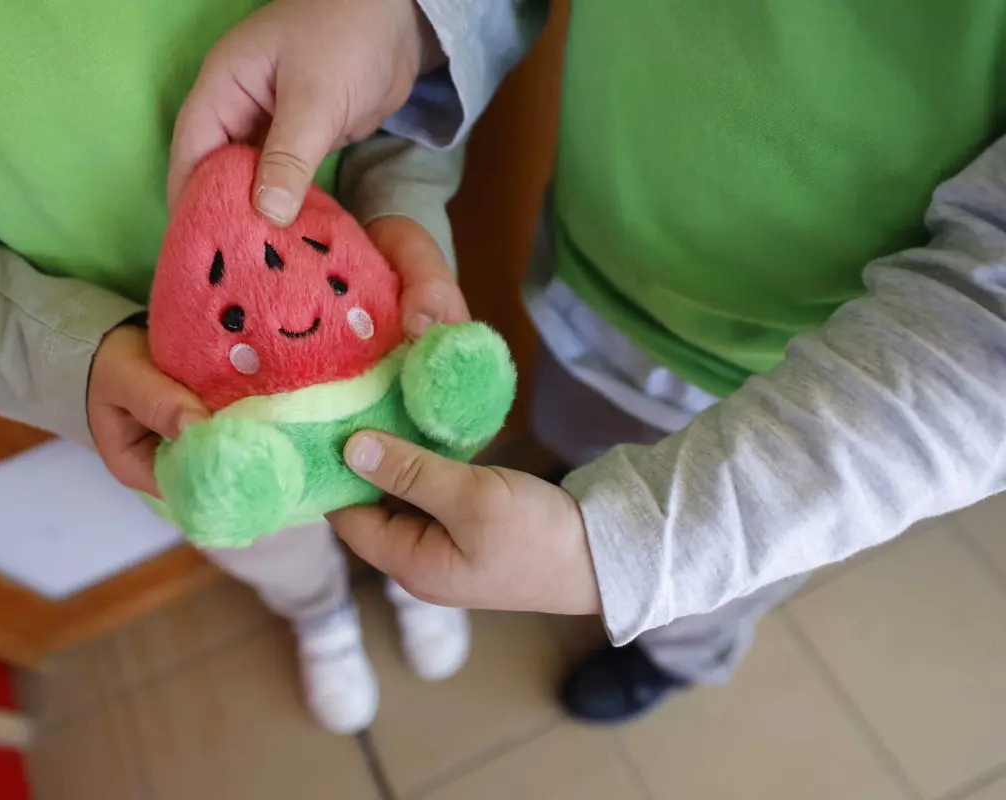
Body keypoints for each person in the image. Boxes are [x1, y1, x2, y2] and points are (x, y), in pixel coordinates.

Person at [0, 0, 535, 733]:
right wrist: (67, 356)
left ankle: (414, 578)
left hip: (381, 312)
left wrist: (399, 108)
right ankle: (318, 610)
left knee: (414, 488)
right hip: (166, 404)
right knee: (264, 543)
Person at [313, 0, 1005, 725]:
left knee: (710, 592)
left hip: (802, 396)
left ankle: (671, 658)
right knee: (576, 428)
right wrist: (413, 24)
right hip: (594, 274)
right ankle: (590, 495)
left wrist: (629, 554)